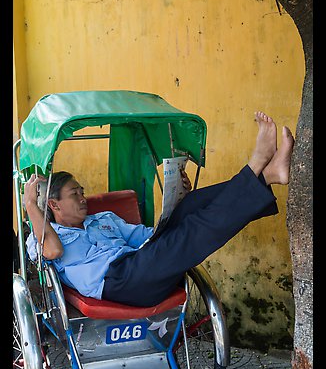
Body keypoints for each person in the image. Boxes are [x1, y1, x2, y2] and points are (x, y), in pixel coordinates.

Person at [25, 112, 294, 307]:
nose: (84, 198)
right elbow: (53, 251)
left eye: (82, 192)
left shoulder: (103, 219)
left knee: (191, 206)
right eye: (75, 194)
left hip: (142, 265)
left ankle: (267, 175)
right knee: (189, 233)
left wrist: (178, 201)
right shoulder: (41, 235)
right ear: (54, 203)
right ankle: (258, 167)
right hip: (117, 282)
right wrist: (29, 204)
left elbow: (150, 236)